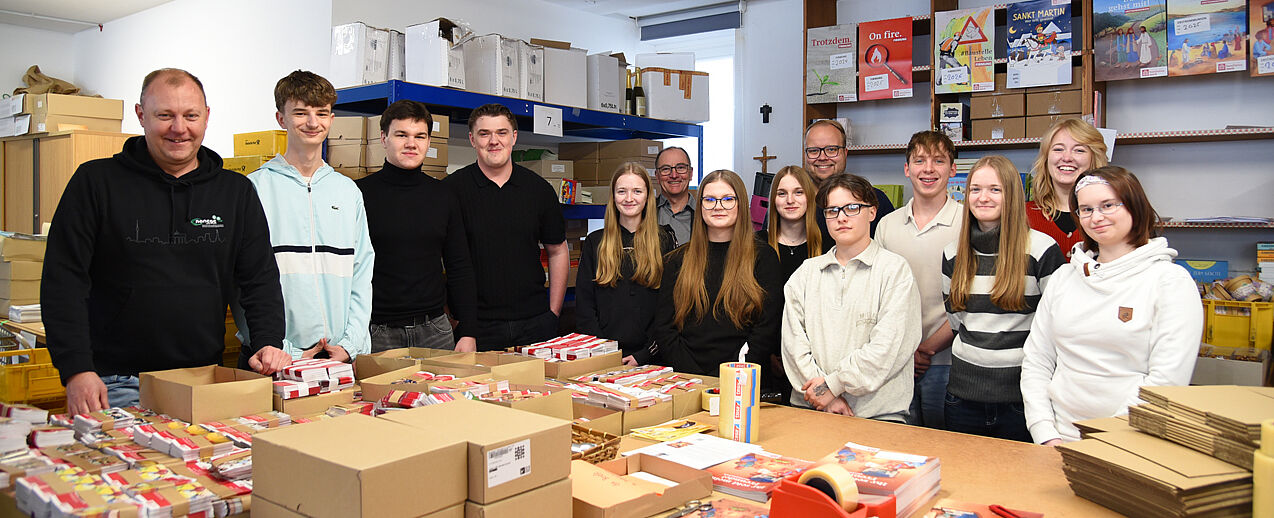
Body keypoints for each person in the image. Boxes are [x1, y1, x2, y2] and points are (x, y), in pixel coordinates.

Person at [42, 68, 287, 414]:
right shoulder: (95, 183)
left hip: (204, 377)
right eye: (165, 115)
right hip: (115, 382)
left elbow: (259, 279)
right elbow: (63, 282)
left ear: (206, 117)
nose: (179, 128)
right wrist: (76, 368)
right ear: (141, 115)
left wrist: (267, 341)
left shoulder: (236, 192)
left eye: (191, 116)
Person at [1021, 166, 1202, 445]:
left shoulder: (1169, 282)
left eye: (1108, 205)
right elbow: (1037, 360)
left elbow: (1167, 379)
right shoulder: (1064, 277)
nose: (1096, 217)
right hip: (1058, 438)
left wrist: (1108, 441)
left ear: (1134, 207)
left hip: (1132, 443)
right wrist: (1045, 432)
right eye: (1086, 209)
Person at [233, 71, 373, 365]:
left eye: (321, 113)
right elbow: (240, 282)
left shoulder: (348, 191)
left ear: (331, 119)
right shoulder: (254, 189)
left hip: (338, 357)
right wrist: (278, 347)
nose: (312, 122)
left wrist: (350, 344)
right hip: (272, 358)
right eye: (300, 113)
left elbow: (362, 273)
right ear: (280, 118)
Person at [941, 156, 1065, 442]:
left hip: (1021, 401)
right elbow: (956, 321)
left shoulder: (1042, 250)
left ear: (1012, 194)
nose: (983, 197)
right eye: (975, 189)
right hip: (962, 398)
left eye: (995, 189)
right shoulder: (952, 253)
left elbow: (1057, 326)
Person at [781, 174, 921, 423]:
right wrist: (826, 397)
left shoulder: (895, 271)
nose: (841, 217)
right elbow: (794, 347)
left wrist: (834, 385)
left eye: (852, 208)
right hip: (812, 410)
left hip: (877, 416)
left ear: (872, 212)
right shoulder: (806, 273)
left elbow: (888, 348)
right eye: (832, 210)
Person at [443, 103, 567, 350]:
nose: (494, 141)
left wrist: (553, 313)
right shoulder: (451, 190)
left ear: (514, 137)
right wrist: (454, 319)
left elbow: (558, 250)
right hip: (475, 328)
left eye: (501, 132)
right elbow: (434, 258)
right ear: (472, 139)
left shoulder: (539, 190)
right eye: (484, 133)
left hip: (534, 323)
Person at [357, 100, 478, 353]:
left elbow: (459, 266)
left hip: (435, 331)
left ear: (428, 141)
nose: (411, 143)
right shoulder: (359, 194)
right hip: (377, 332)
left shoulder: (443, 195)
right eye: (402, 135)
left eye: (420, 136)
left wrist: (468, 331)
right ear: (383, 138)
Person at [650, 169, 783, 376]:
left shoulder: (763, 258)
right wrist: (695, 377)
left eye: (728, 199)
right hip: (687, 378)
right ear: (700, 205)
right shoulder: (676, 261)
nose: (718, 206)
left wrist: (730, 375)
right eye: (709, 200)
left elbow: (766, 330)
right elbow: (665, 330)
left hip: (742, 378)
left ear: (741, 204)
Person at [875, 131, 963, 430]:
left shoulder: (967, 222)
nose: (928, 169)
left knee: (946, 446)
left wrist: (926, 349)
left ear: (952, 169)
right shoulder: (887, 225)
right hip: (896, 362)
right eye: (919, 161)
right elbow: (877, 296)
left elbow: (969, 299)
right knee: (900, 444)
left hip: (948, 361)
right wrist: (905, 351)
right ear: (906, 168)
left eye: (938, 161)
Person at [576, 163, 676, 366]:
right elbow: (585, 306)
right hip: (604, 356)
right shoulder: (595, 242)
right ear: (613, 197)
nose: (629, 198)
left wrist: (644, 355)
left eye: (637, 191)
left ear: (647, 197)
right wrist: (604, 352)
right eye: (622, 191)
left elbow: (671, 308)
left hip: (653, 358)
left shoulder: (664, 240)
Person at [758, 165, 822, 403]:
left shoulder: (827, 246)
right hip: (765, 361)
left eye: (798, 192)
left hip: (815, 366)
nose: (790, 200)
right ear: (773, 200)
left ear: (809, 197)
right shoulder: (756, 246)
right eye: (782, 193)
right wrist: (768, 353)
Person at [802, 120, 894, 246]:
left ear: (845, 153)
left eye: (831, 149)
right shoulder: (793, 203)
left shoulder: (873, 199)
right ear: (805, 155)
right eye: (813, 151)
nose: (822, 157)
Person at [1026, 118, 1108, 258]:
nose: (1067, 157)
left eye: (1079, 150)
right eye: (1058, 149)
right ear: (1046, 158)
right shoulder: (1023, 215)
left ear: (1094, 158)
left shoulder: (1110, 216)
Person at [654, 146, 696, 246]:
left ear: (690, 173)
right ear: (657, 176)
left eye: (680, 168)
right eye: (665, 169)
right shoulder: (644, 213)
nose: (674, 175)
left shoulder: (705, 214)